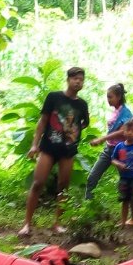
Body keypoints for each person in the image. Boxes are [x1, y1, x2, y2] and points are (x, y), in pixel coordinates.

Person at [19, 66, 90, 237]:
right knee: (38, 183)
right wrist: (34, 145)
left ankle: (57, 224)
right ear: (68, 80)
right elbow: (43, 121)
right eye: (75, 78)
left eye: (81, 79)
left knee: (63, 187)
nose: (78, 82)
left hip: (68, 150)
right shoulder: (54, 97)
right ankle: (27, 223)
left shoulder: (82, 104)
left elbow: (84, 123)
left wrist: (73, 132)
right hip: (48, 147)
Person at [85, 83, 133, 199]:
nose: (108, 100)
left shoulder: (126, 113)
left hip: (121, 150)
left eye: (110, 97)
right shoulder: (115, 112)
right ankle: (89, 203)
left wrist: (102, 138)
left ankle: (129, 204)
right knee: (92, 177)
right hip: (109, 149)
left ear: (119, 97)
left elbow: (122, 131)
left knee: (126, 180)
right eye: (107, 97)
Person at [109, 121, 133, 231]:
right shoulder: (119, 146)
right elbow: (113, 159)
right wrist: (119, 164)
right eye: (127, 130)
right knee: (124, 200)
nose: (130, 133)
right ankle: (123, 222)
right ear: (123, 132)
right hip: (124, 178)